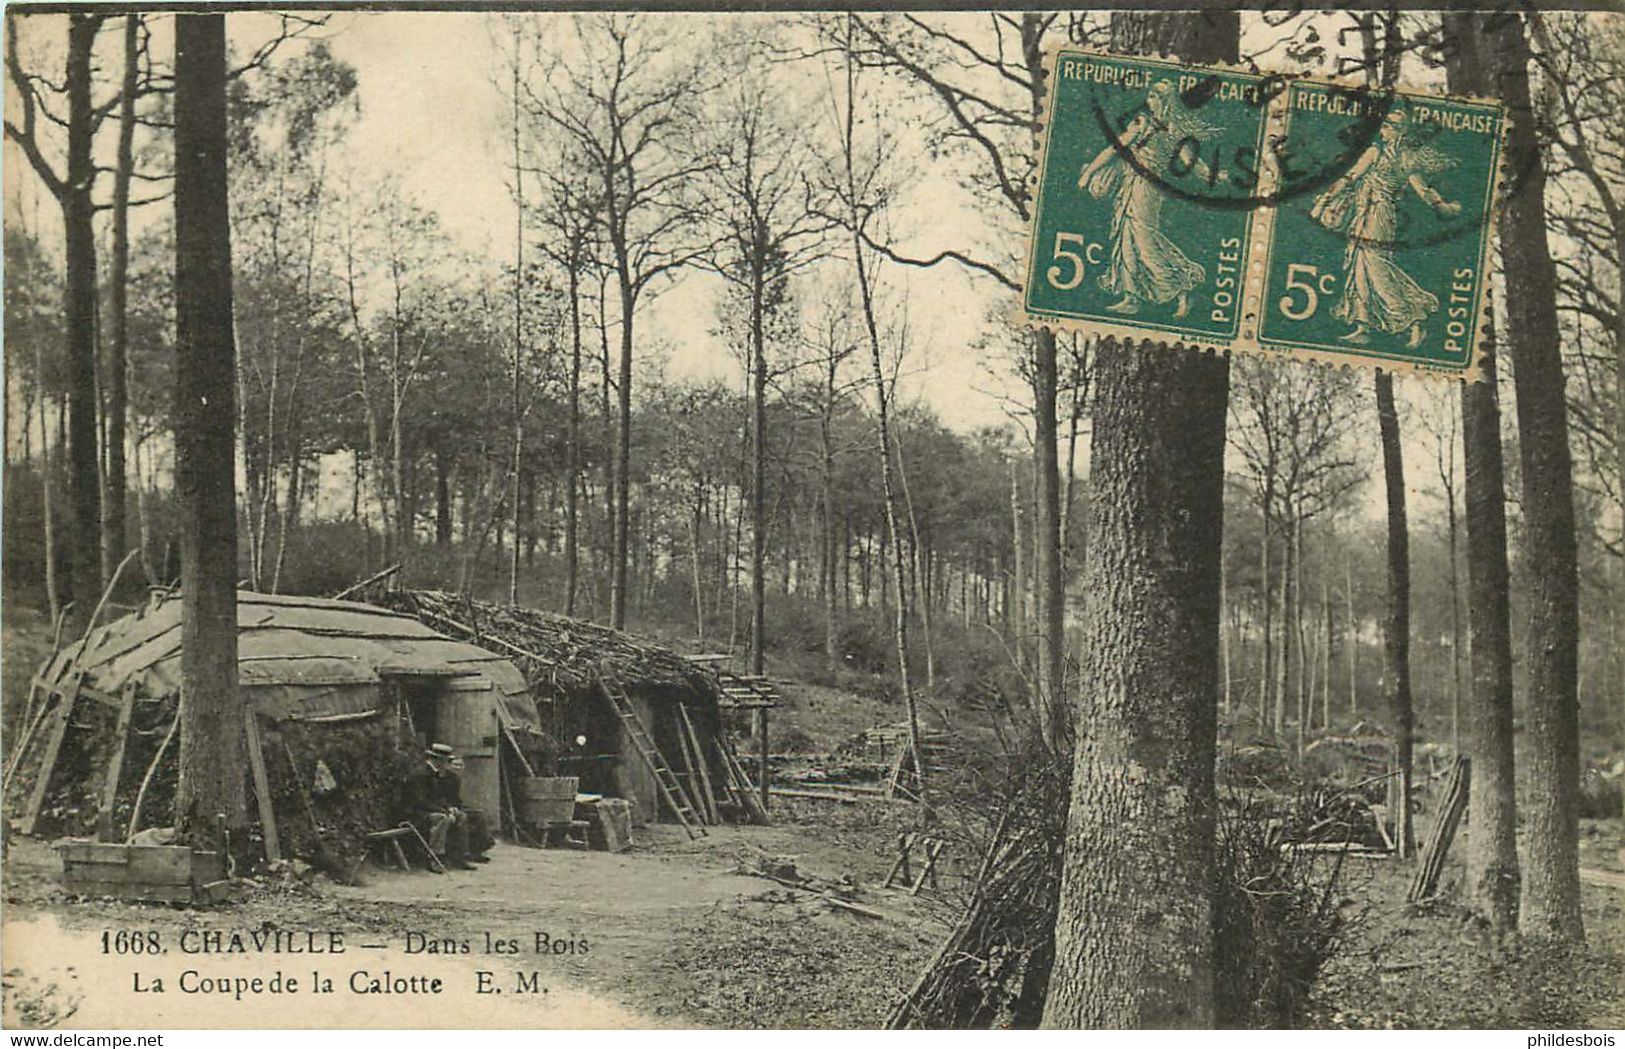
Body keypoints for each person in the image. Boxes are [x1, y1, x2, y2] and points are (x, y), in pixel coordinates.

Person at [1309, 109, 1462, 348]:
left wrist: (1443, 206)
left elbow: (1420, 189)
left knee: (1376, 267)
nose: (1384, 129)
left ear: (1400, 131)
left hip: (1378, 214)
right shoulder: (1392, 155)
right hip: (1366, 213)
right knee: (1360, 267)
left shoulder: (1389, 155)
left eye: (1390, 126)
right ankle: (1363, 326)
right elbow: (1351, 178)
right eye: (1385, 125)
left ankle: (1413, 319)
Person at [1077, 79, 1223, 320]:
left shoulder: (1175, 132)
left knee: (1144, 241)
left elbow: (1191, 162)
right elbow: (1114, 149)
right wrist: (1088, 172)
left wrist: (1213, 176)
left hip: (1149, 189)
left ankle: (1183, 287)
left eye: (1155, 98)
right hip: (1129, 184)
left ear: (1166, 102)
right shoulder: (1141, 123)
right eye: (1150, 97)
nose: (1150, 102)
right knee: (1126, 238)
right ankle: (1131, 298)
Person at [408, 743, 475, 870]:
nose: (447, 764)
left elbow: (448, 798)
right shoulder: (420, 774)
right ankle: (435, 858)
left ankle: (459, 857)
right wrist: (444, 810)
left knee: (461, 816)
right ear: (436, 759)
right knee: (442, 819)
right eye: (445, 761)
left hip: (435, 809)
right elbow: (419, 800)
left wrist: (453, 807)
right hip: (416, 812)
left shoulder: (442, 775)